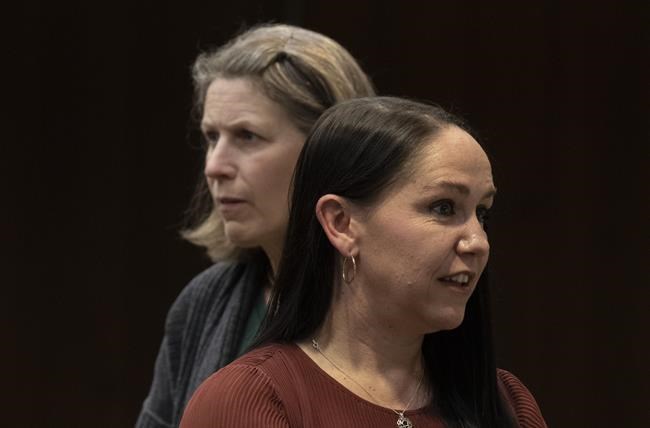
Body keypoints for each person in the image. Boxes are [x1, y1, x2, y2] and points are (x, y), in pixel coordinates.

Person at [179, 97, 548, 428]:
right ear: (341, 223)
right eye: (443, 207)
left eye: (482, 213)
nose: (477, 242)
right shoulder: (250, 399)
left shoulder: (507, 402)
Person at [135, 24, 375, 428]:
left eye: (247, 136)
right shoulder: (204, 303)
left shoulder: (402, 301)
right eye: (211, 137)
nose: (214, 166)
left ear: (329, 150)